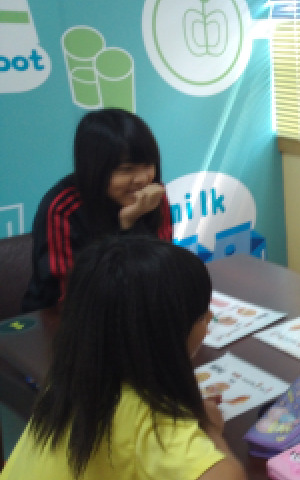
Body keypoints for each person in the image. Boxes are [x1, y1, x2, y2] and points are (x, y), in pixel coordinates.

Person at [0, 235, 245, 480]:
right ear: (164, 337)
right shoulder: (152, 418)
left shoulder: (72, 377)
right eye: (202, 316)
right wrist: (210, 429)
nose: (209, 320)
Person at [22, 108, 172, 312]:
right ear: (94, 168)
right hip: (64, 317)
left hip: (135, 309)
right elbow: (72, 295)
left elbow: (163, 268)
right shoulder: (62, 208)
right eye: (127, 170)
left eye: (148, 165)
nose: (142, 179)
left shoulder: (153, 194)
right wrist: (127, 227)